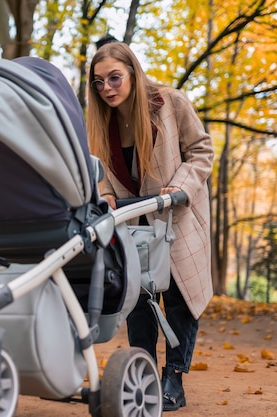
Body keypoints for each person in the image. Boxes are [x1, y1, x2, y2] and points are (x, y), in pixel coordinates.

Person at [86, 40, 214, 411]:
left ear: (133, 73)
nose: (107, 88)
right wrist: (106, 195)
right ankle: (141, 373)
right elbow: (101, 174)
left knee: (178, 298)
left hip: (177, 213)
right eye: (99, 82)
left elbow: (202, 151)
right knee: (137, 298)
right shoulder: (98, 119)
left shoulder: (170, 103)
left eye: (114, 78)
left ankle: (174, 377)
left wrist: (182, 187)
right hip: (132, 219)